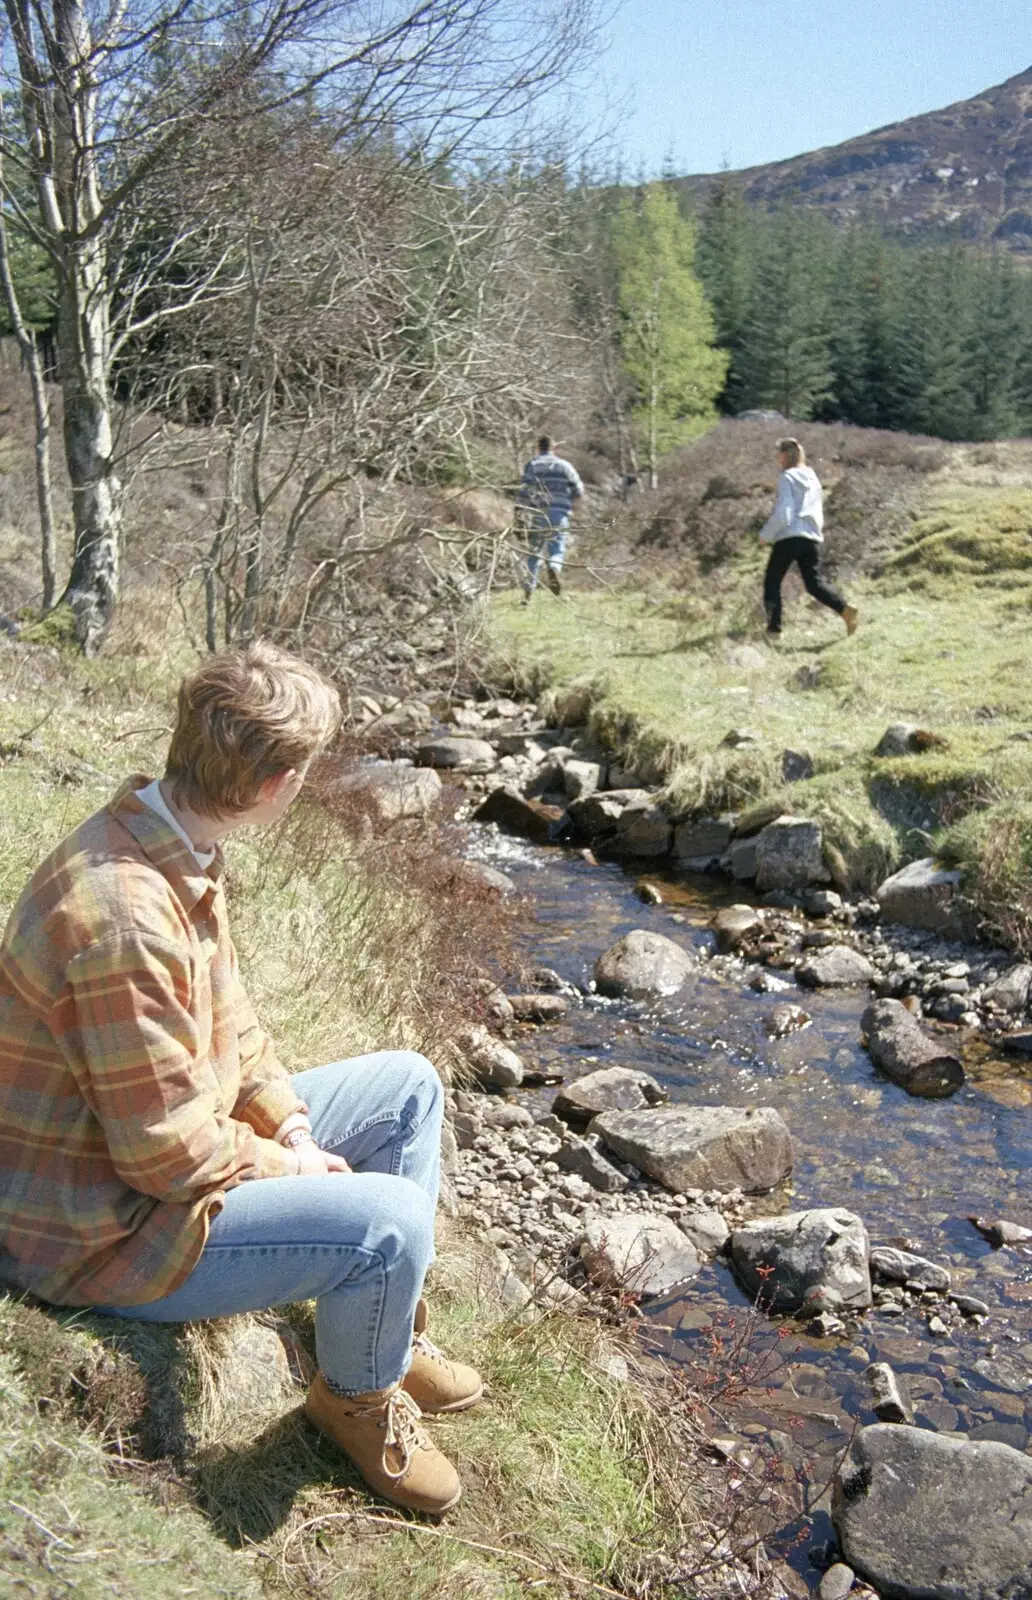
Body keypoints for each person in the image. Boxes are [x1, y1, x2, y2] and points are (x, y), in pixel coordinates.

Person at [0, 642, 480, 1517]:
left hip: (150, 1158)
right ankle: (356, 1400)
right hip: (101, 1228)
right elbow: (166, 1159)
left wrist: (290, 1124)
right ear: (274, 786)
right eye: (304, 769)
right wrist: (294, 1170)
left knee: (408, 1085)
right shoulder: (123, 921)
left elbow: (236, 1026)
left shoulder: (174, 839)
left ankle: (385, 1333)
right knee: (388, 1220)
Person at [759, 438, 858, 637]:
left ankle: (773, 630)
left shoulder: (787, 477)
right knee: (814, 584)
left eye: (779, 454)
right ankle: (846, 610)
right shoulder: (812, 477)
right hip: (811, 537)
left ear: (786, 455)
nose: (777, 458)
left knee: (772, 582)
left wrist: (766, 535)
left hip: (789, 537)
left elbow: (785, 513)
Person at [518, 434, 584, 602]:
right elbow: (578, 489)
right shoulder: (564, 466)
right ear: (554, 448)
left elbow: (523, 493)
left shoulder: (532, 465)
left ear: (537, 447)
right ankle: (554, 567)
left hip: (538, 513)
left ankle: (528, 594)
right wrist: (573, 508)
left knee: (534, 552)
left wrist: (518, 517)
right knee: (557, 548)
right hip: (559, 512)